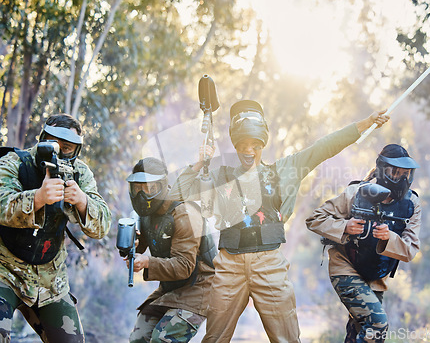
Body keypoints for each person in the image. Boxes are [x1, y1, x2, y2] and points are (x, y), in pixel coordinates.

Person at [169, 99, 389, 343]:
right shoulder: (220, 176)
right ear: (235, 144)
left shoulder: (282, 171)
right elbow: (176, 195)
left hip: (269, 265)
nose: (249, 150)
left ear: (263, 143)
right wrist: (200, 162)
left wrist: (364, 123)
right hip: (228, 266)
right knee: (214, 338)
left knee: (287, 339)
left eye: (255, 144)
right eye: (243, 144)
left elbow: (323, 147)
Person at [0, 114, 111, 342]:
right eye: (52, 145)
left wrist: (81, 201)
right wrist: (38, 198)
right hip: (4, 271)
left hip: (50, 281)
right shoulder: (14, 162)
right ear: (41, 139)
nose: (59, 153)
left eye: (67, 148)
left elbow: (102, 226)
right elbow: (1, 204)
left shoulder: (79, 174)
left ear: (76, 150)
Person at [305, 144, 422, 343]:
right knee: (377, 325)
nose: (402, 179)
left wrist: (389, 237)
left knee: (359, 334)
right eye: (396, 172)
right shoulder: (356, 193)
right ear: (383, 170)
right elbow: (315, 219)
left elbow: (410, 250)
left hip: (376, 276)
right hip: (346, 268)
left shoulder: (412, 204)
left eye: (406, 174)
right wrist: (345, 227)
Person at [125, 157, 216, 343]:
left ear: (162, 186)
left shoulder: (185, 214)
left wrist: (147, 262)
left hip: (198, 287)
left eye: (149, 188)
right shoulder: (147, 214)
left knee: (163, 339)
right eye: (137, 189)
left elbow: (184, 266)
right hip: (170, 288)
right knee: (138, 338)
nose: (143, 195)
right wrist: (131, 248)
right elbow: (142, 245)